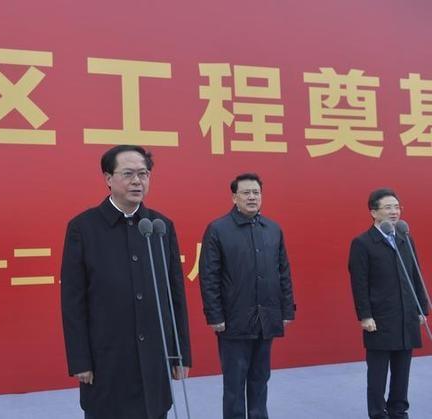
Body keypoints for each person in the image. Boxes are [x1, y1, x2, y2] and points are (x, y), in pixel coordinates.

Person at [60, 145, 191, 419]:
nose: (137, 181)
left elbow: (174, 295)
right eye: (128, 174)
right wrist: (80, 360)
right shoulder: (83, 228)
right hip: (107, 359)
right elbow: (73, 302)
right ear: (108, 179)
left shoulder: (160, 226)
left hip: (154, 359)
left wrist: (181, 354)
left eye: (143, 174)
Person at [199, 172, 295, 419]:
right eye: (246, 193)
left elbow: (283, 272)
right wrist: (215, 315)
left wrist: (286, 310)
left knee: (260, 379)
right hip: (233, 320)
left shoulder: (273, 229)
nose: (252, 197)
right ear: (234, 197)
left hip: (266, 318)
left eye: (256, 192)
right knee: (234, 383)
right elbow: (209, 276)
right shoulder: (218, 229)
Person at [348, 188, 429, 419]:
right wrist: (365, 315)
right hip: (380, 319)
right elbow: (359, 283)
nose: (394, 212)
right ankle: (377, 413)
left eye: (397, 207)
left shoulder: (405, 237)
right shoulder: (363, 243)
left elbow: (416, 274)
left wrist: (421, 308)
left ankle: (399, 411)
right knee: (377, 375)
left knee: (402, 373)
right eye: (388, 207)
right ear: (374, 212)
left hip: (406, 317)